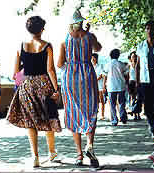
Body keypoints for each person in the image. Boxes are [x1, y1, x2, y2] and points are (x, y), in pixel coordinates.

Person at [6, 16, 61, 167]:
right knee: (48, 118)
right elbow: (50, 69)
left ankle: (35, 157)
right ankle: (51, 152)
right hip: (44, 85)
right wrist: (56, 89)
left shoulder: (21, 46)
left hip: (26, 86)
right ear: (42, 29)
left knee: (30, 121)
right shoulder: (47, 46)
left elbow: (15, 73)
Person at [57, 10, 102, 168]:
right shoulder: (89, 37)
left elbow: (59, 64)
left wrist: (71, 66)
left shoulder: (65, 41)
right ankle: (89, 144)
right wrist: (89, 33)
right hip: (88, 76)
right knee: (91, 111)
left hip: (71, 78)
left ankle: (79, 155)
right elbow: (98, 48)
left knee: (74, 112)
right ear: (82, 22)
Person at [105, 49, 129, 126]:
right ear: (118, 56)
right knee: (122, 102)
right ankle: (123, 117)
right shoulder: (121, 64)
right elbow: (126, 72)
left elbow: (104, 73)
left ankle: (114, 120)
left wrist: (104, 85)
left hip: (111, 86)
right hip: (120, 85)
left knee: (112, 104)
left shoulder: (108, 64)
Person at [91, 53, 107, 120]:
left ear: (97, 58)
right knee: (95, 101)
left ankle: (102, 115)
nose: (93, 59)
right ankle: (95, 115)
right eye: (92, 58)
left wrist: (103, 86)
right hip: (92, 86)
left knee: (101, 100)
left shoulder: (100, 66)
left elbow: (102, 75)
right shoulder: (90, 66)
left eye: (94, 58)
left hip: (99, 86)